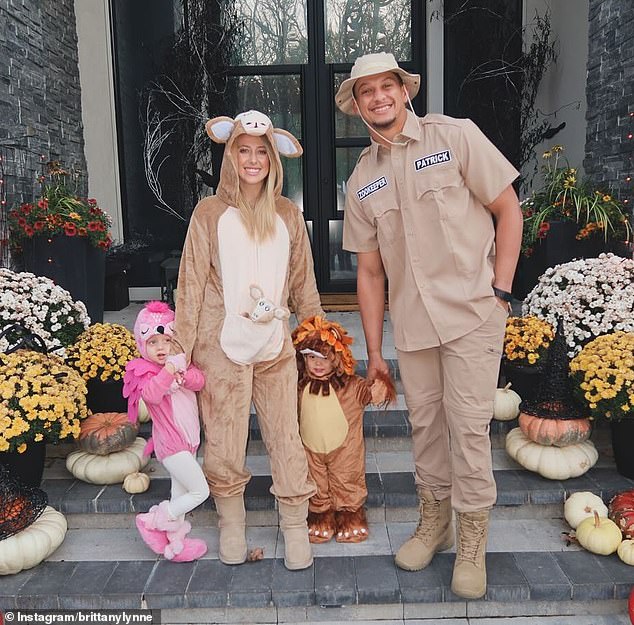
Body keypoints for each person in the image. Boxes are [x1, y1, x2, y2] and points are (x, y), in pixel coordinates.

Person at [336, 52, 523, 598]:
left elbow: (508, 207)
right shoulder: (361, 182)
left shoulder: (454, 137)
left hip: (471, 315)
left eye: (385, 86)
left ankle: (471, 541)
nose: (378, 98)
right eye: (366, 91)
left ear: (404, 90)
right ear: (357, 105)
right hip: (414, 327)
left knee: (467, 428)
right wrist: (374, 351)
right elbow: (369, 273)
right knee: (426, 429)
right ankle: (434, 523)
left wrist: (502, 292)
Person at [171, 110, 323, 570]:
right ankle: (231, 526)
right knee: (223, 439)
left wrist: (320, 340)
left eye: (262, 152)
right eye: (244, 150)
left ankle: (295, 526)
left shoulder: (287, 214)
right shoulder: (208, 213)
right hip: (221, 348)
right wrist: (180, 348)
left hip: (275, 346)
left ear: (274, 158)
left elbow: (304, 284)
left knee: (286, 436)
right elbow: (191, 282)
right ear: (230, 154)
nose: (253, 160)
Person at [291, 315, 395, 544]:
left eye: (325, 358)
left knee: (347, 479)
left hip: (345, 449)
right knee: (315, 481)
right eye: (311, 358)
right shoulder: (298, 386)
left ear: (337, 358)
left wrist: (380, 385)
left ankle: (350, 518)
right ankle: (320, 518)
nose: (318, 364)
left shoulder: (351, 386)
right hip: (311, 448)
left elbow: (371, 395)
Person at [123, 300, 209, 562]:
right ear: (142, 345)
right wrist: (170, 370)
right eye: (153, 342)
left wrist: (181, 372)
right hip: (171, 446)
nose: (161, 348)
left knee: (180, 493)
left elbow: (199, 380)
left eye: (167, 341)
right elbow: (152, 394)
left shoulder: (181, 364)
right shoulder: (145, 373)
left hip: (189, 441)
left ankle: (175, 545)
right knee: (200, 491)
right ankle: (154, 519)